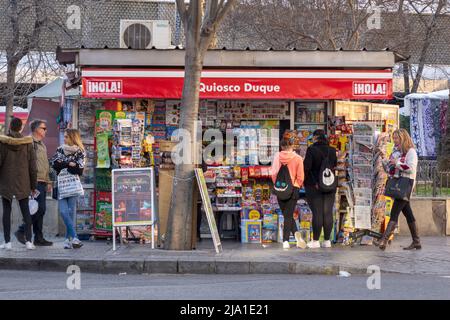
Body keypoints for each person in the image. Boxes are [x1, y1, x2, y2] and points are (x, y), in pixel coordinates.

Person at [378, 129, 420, 251]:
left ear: (403, 138)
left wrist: (397, 163)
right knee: (408, 214)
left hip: (405, 185)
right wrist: (385, 160)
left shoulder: (411, 152)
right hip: (398, 184)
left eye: (396, 138)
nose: (394, 141)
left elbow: (410, 168)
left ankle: (384, 240)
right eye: (394, 138)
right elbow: (389, 170)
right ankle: (416, 241)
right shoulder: (396, 152)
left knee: (394, 212)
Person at [0, 117, 37, 250]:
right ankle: (29, 242)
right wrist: (33, 186)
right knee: (26, 211)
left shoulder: (2, 142)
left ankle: (7, 242)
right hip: (23, 182)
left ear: (10, 126)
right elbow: (33, 167)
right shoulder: (27, 143)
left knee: (6, 211)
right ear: (21, 128)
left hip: (6, 181)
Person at [15, 120, 53, 246]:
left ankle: (38, 238)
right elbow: (22, 162)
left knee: (40, 210)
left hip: (42, 181)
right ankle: (21, 230)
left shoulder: (42, 144)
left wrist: (48, 181)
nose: (46, 130)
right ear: (36, 129)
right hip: (33, 181)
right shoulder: (27, 141)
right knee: (39, 209)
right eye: (44, 128)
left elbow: (45, 164)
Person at [51, 129, 85, 249]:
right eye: (64, 137)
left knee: (70, 213)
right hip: (61, 185)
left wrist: (64, 163)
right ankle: (75, 237)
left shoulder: (80, 152)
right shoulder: (60, 149)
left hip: (73, 186)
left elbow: (79, 170)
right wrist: (69, 164)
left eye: (66, 137)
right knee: (63, 212)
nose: (64, 139)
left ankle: (67, 240)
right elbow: (54, 165)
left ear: (72, 138)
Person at [303, 129, 337, 249]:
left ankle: (316, 240)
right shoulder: (332, 150)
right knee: (327, 212)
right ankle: (327, 240)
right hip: (330, 185)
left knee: (317, 213)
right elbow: (334, 165)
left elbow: (306, 168)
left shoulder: (311, 150)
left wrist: (311, 181)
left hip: (314, 186)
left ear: (315, 138)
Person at [271, 135, 306, 250]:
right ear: (291, 145)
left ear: (281, 146)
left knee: (286, 214)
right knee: (288, 215)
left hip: (280, 188)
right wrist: (296, 186)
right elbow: (300, 177)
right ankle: (286, 241)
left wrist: (278, 184)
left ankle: (297, 237)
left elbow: (274, 173)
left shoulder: (277, 156)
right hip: (293, 189)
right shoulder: (298, 158)